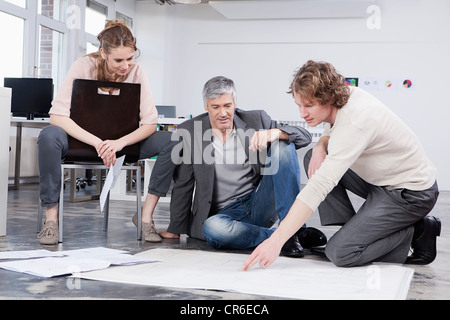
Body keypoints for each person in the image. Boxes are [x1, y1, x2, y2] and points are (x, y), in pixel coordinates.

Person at [242, 60, 440, 270]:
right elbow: (332, 130)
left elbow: (318, 187)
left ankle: (417, 232)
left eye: (309, 106)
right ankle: (352, 230)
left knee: (341, 253)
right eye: (299, 105)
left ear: (328, 98)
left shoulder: (355, 123)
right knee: (313, 157)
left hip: (411, 194)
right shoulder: (346, 94)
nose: (302, 113)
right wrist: (320, 146)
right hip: (383, 182)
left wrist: (277, 240)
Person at [37, 20, 176, 245]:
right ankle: (51, 219)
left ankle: (145, 215)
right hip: (81, 143)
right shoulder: (83, 66)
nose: (125, 66)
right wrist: (100, 143)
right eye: (118, 60)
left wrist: (118, 143)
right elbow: (58, 116)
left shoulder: (138, 72)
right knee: (48, 135)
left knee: (175, 141)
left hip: (124, 145)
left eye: (130, 58)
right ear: (103, 53)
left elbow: (150, 124)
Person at [160, 76, 327, 256]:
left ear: (235, 103)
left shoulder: (256, 120)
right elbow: (183, 183)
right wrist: (175, 228)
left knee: (283, 145)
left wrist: (275, 132)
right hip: (224, 216)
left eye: (227, 106)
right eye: (215, 107)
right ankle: (285, 236)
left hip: (258, 201)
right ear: (205, 105)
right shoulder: (191, 131)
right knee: (213, 229)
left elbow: (304, 137)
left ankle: (293, 229)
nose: (223, 113)